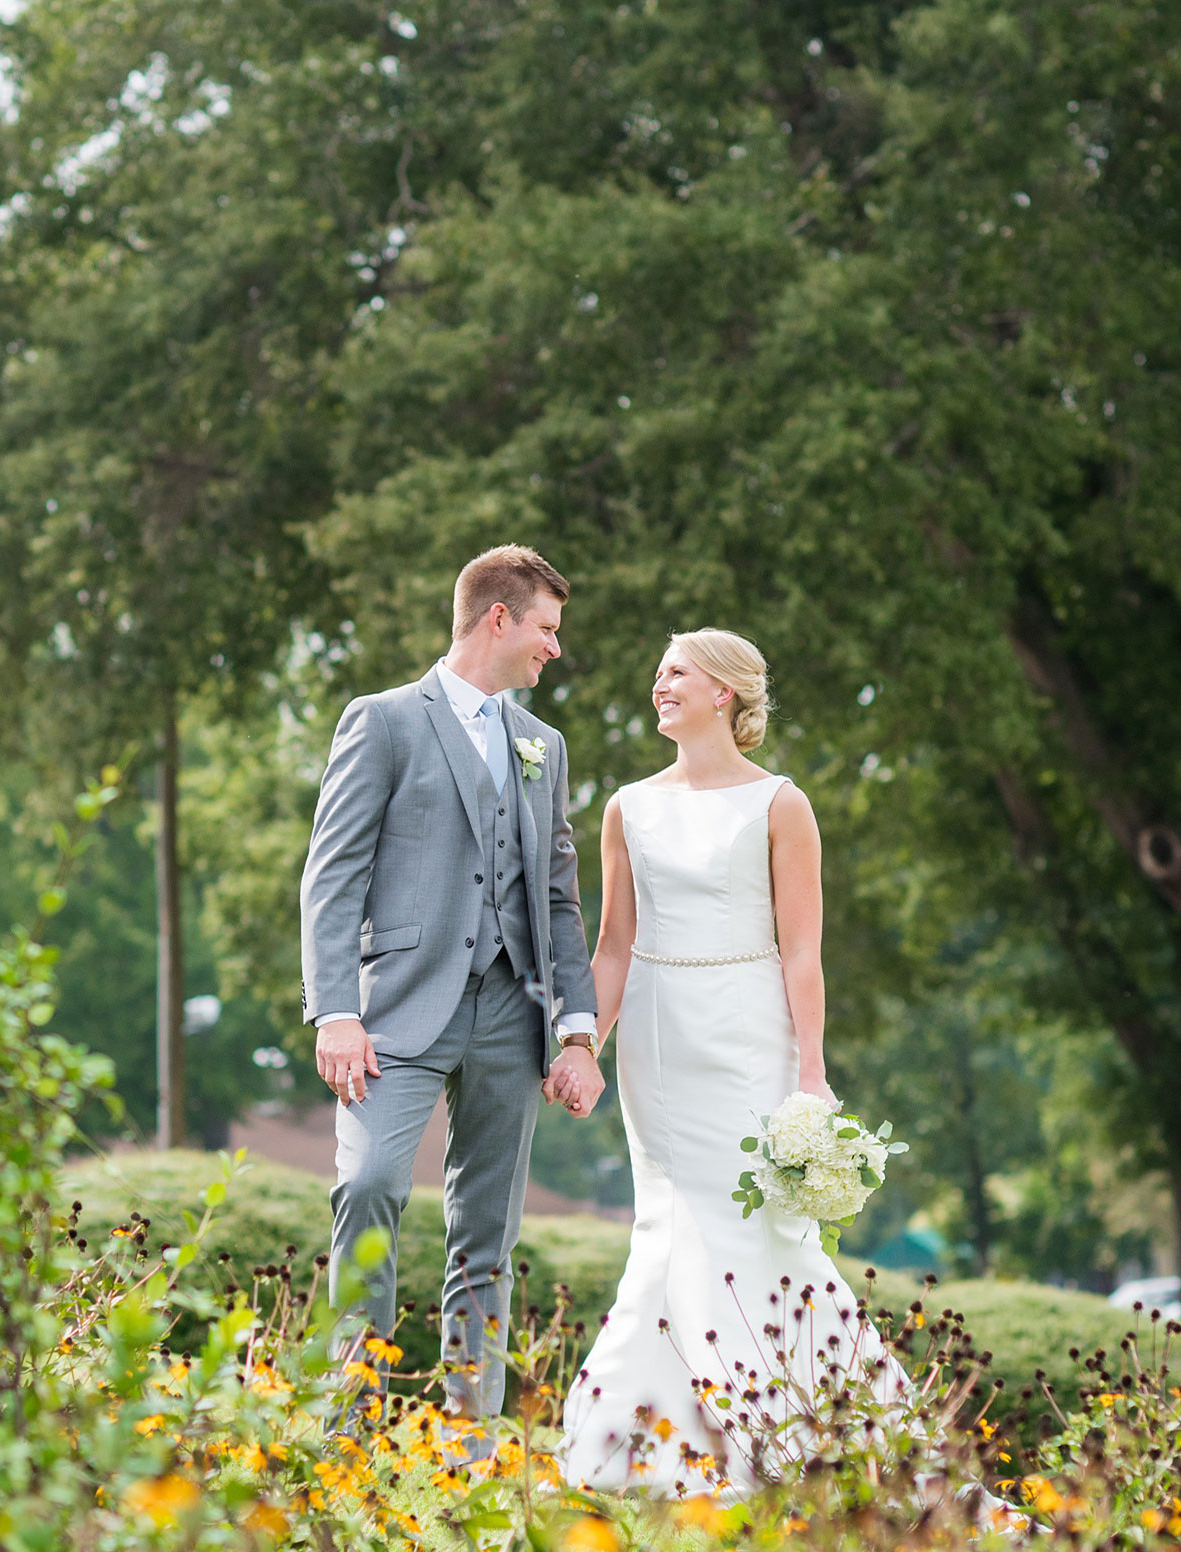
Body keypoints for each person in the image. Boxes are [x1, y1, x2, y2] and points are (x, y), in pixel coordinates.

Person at [562, 627, 901, 1491]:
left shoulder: (781, 804)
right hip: (654, 1038)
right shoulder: (626, 807)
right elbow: (611, 946)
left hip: (750, 1033)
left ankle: (807, 1435)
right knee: (668, 1223)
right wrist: (582, 1048)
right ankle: (653, 1449)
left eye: (676, 672)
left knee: (758, 1227)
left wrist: (812, 1075)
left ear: (726, 692)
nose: (658, 684)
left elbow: (801, 953)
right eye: (658, 672)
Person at [300, 545, 604, 1422]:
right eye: (547, 628)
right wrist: (336, 1012)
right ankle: (348, 1435)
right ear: (499, 619)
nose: (554, 647)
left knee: (487, 1237)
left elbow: (557, 896)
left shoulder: (543, 745)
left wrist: (575, 1034)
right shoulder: (385, 720)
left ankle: (463, 1452)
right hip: (396, 1012)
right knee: (370, 1187)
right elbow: (333, 874)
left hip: (513, 1018)